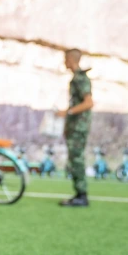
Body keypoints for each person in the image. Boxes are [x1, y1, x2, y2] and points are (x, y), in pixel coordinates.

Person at [56, 49, 94, 207]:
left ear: (71, 59)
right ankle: (79, 193)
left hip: (79, 126)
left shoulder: (80, 79)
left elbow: (88, 102)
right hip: (74, 126)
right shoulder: (76, 79)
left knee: (77, 159)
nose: (64, 62)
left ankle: (81, 195)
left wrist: (68, 112)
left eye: (66, 59)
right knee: (74, 159)